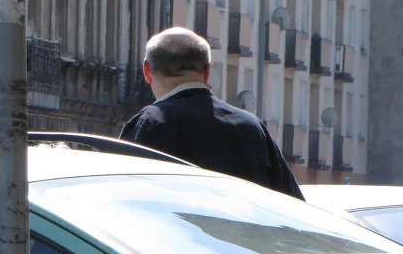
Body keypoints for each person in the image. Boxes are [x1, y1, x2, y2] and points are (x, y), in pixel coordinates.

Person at [120, 27, 302, 199]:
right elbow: (292, 204)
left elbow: (124, 197)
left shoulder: (150, 125)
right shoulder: (251, 126)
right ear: (207, 71)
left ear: (146, 71)